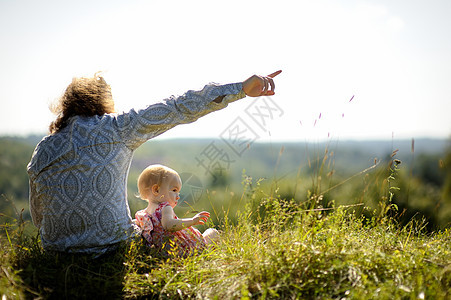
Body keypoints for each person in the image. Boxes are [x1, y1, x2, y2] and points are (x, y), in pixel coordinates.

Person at [27, 70, 282, 254]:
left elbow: (39, 217)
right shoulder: (116, 128)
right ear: (103, 103)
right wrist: (239, 89)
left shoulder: (43, 150)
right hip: (116, 247)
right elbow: (177, 107)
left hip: (57, 253)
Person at [134, 164, 217, 256]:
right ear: (156, 190)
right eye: (174, 190)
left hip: (159, 254)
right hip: (179, 250)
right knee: (212, 233)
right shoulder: (165, 208)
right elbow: (169, 225)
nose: (178, 196)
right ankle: (209, 251)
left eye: (178, 192)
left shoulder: (141, 215)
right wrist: (192, 221)